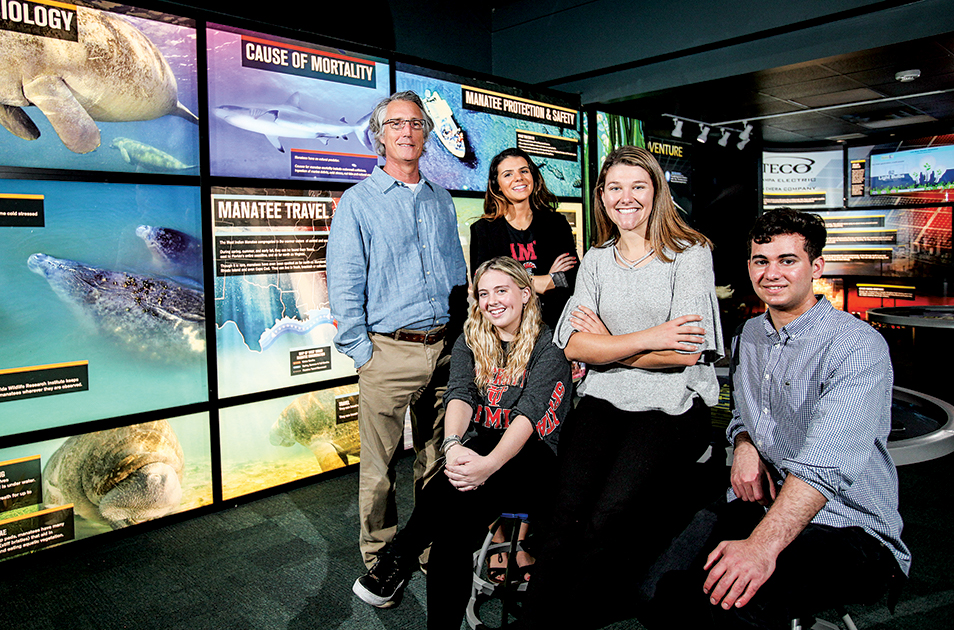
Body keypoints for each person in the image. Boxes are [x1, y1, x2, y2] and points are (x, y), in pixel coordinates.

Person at [642, 208, 910, 629]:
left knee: (734, 600)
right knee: (659, 590)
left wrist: (760, 547)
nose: (772, 273)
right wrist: (745, 442)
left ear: (815, 266)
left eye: (788, 260)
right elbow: (742, 414)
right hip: (765, 503)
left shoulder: (856, 345)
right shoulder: (749, 335)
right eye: (760, 261)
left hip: (849, 526)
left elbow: (825, 466)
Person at [526, 145, 724, 628]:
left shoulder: (690, 253)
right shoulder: (595, 259)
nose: (626, 197)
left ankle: (570, 619)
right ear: (602, 196)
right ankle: (534, 621)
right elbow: (573, 346)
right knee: (563, 513)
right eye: (615, 187)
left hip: (671, 406)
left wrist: (608, 343)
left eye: (639, 186)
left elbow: (685, 352)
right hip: (604, 398)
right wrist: (650, 337)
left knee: (608, 514)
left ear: (657, 192)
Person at [351, 256, 573, 629]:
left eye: (501, 291)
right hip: (481, 457)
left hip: (533, 463)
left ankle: (399, 557)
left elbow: (527, 418)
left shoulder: (548, 345)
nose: (492, 301)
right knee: (451, 536)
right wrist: (453, 445)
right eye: (484, 293)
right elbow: (460, 395)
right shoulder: (472, 339)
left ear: (524, 293)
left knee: (454, 497)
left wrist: (485, 465)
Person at [326, 90, 468, 572]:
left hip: (445, 349)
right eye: (395, 125)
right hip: (388, 353)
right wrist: (362, 351)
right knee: (380, 468)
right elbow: (344, 282)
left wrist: (463, 337)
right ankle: (380, 557)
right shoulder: (358, 202)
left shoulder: (440, 199)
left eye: (415, 123)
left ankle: (425, 545)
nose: (407, 132)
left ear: (426, 133)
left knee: (437, 460)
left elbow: (457, 271)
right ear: (380, 136)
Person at [470, 147, 578, 328]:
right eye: (508, 174)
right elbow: (485, 286)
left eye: (524, 171)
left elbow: (571, 278)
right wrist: (545, 281)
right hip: (508, 331)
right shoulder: (483, 231)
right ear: (496, 184)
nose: (518, 178)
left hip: (554, 325)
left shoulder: (556, 224)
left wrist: (510, 281)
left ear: (533, 177)